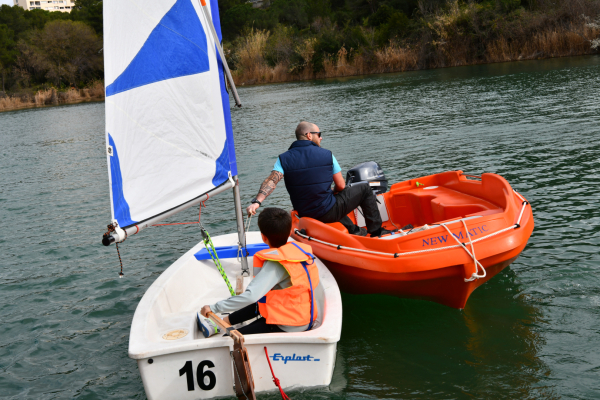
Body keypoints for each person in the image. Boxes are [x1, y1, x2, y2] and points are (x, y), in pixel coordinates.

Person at [246, 121, 392, 237]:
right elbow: (341, 186)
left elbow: (272, 180)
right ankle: (376, 231)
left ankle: (353, 230)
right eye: (319, 134)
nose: (321, 137)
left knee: (329, 197)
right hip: (326, 212)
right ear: (309, 135)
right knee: (364, 188)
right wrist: (334, 190)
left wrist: (257, 202)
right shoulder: (327, 154)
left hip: (304, 213)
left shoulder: (283, 159)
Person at [198, 207, 324, 335]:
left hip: (288, 325)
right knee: (261, 302)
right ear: (289, 231)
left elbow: (251, 296)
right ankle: (223, 322)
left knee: (228, 337)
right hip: (304, 314)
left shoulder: (276, 264)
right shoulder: (300, 253)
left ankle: (223, 329)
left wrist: (213, 308)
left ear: (263, 237)